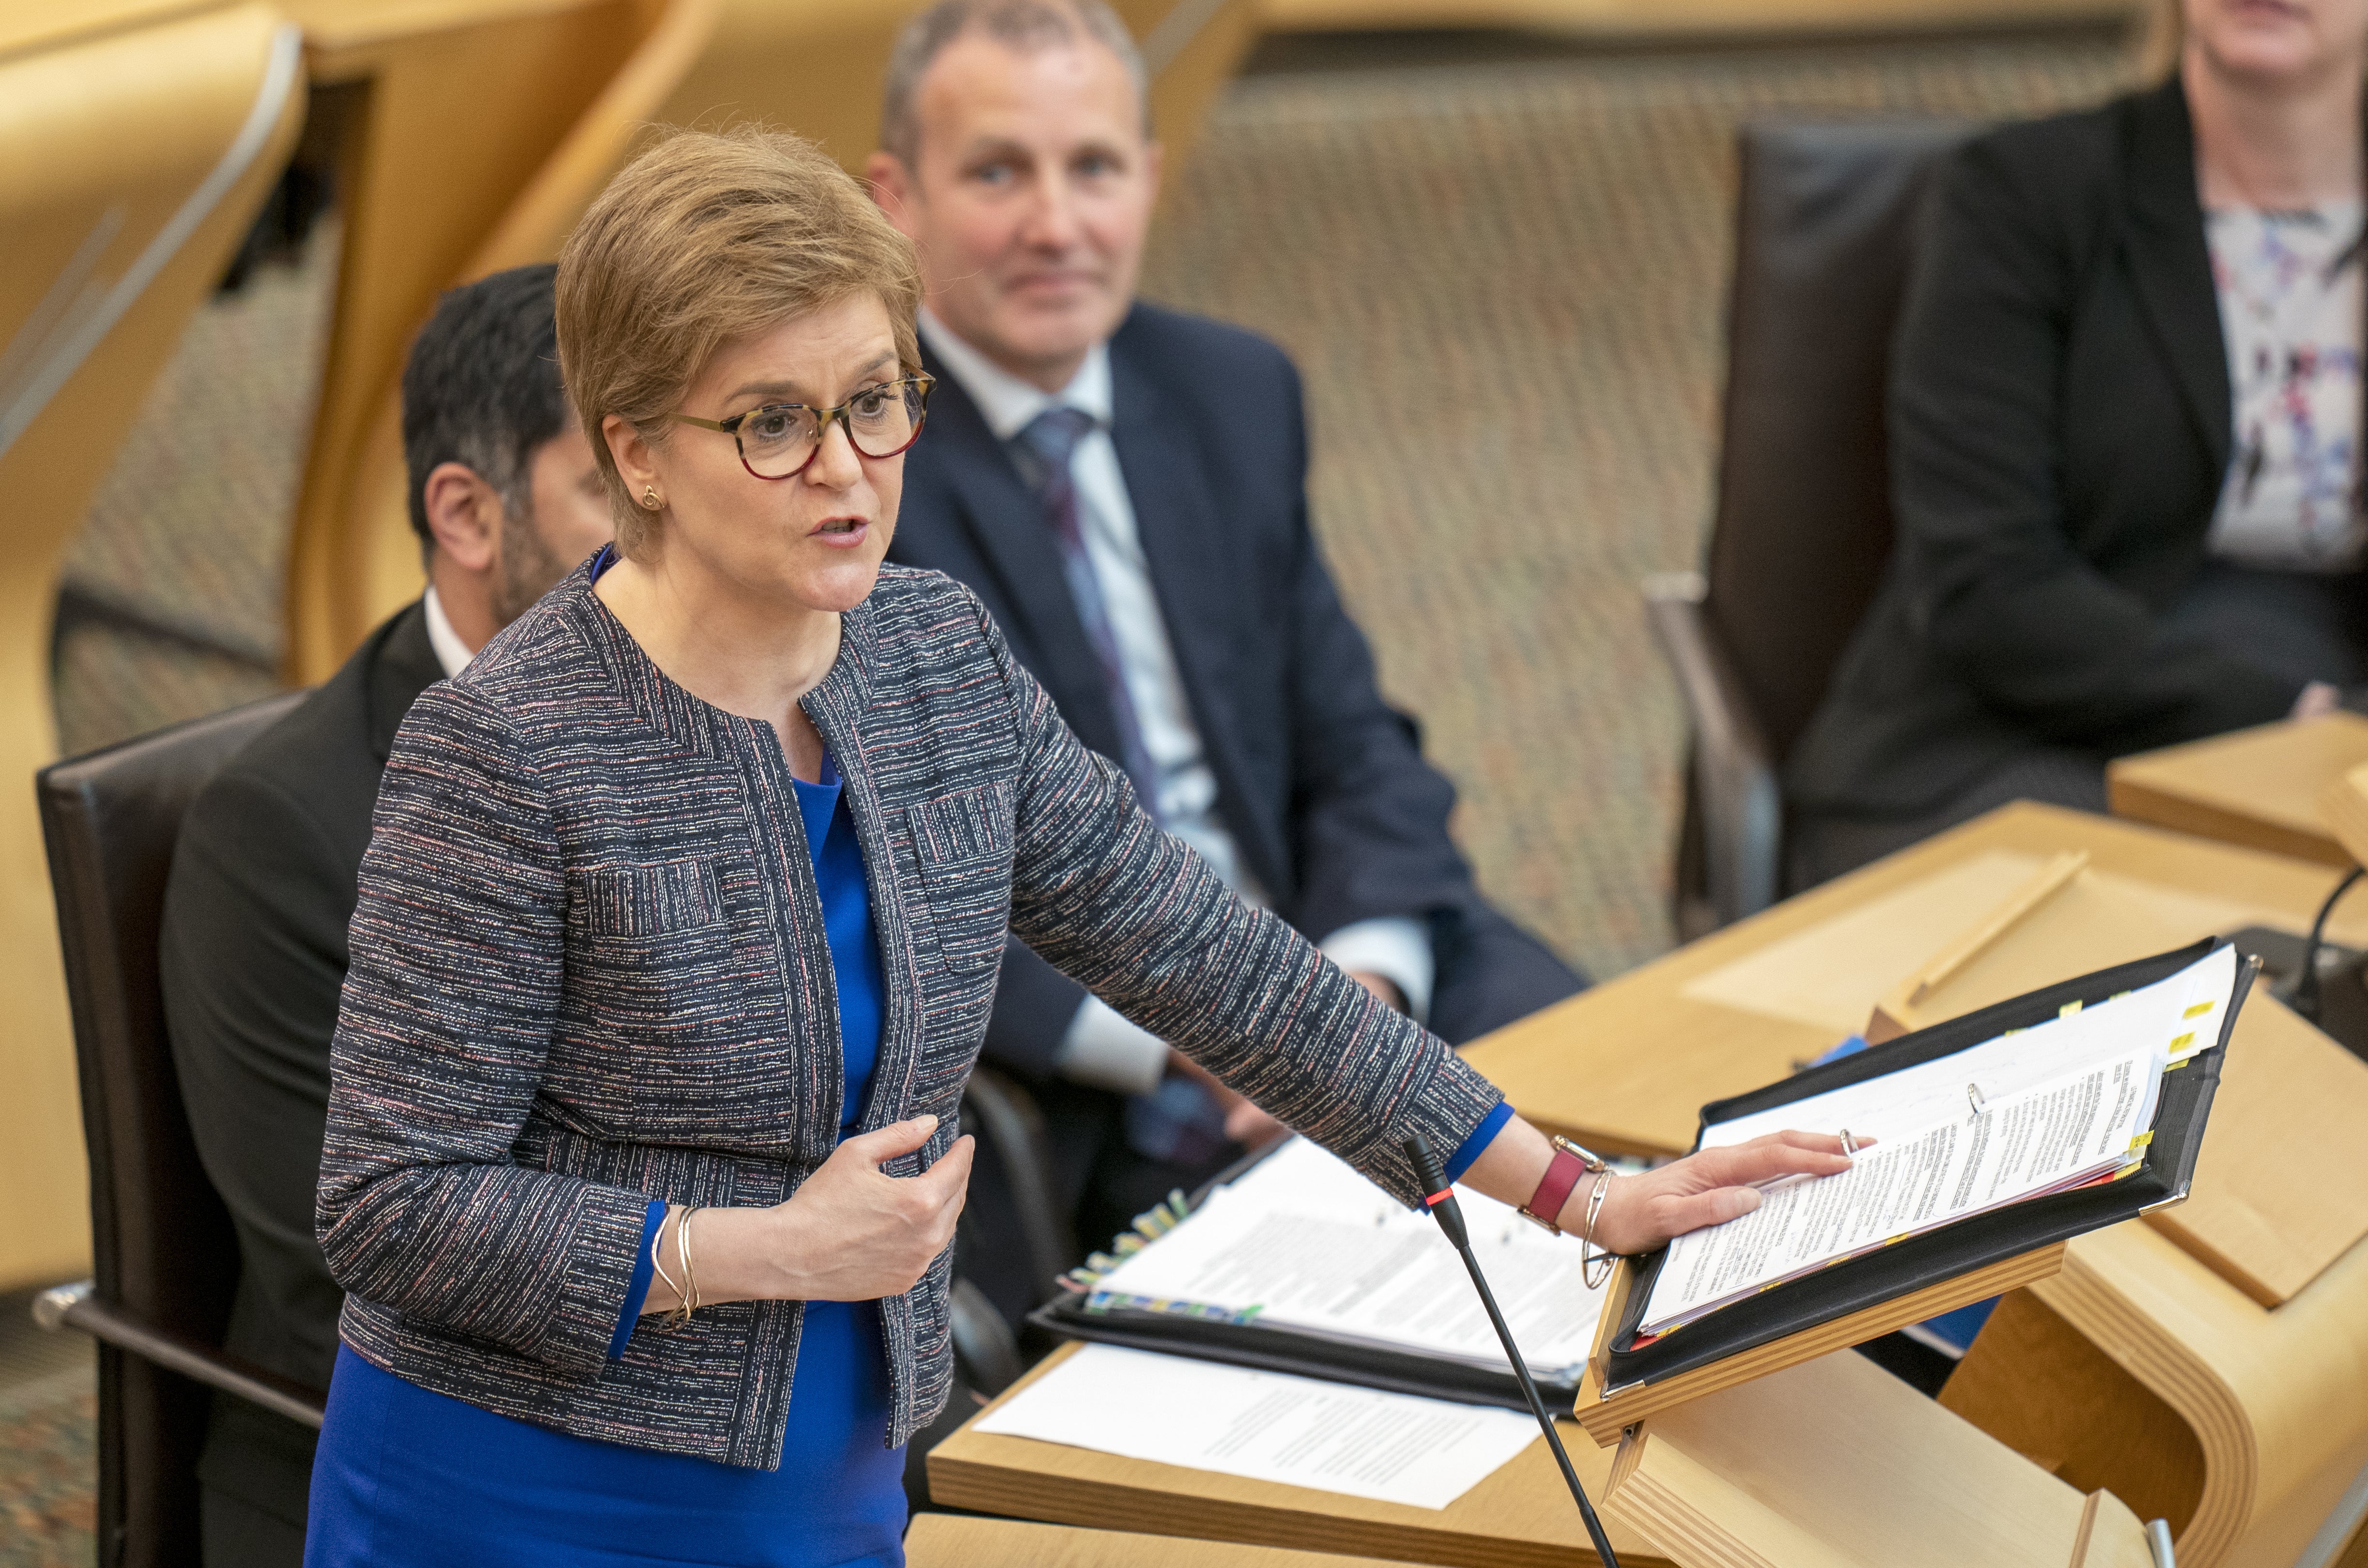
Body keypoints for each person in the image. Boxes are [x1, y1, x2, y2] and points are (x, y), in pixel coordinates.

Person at [300, 124, 1850, 1567]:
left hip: (830, 1448)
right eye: (769, 424)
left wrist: (1576, 1195)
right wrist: (753, 1247)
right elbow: (391, 1199)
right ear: (636, 452)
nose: (847, 469)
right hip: (526, 1483)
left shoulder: (929, 661)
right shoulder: (502, 749)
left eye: (874, 399)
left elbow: (1219, 964)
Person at [865, 0, 1585, 1317]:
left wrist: (1353, 985)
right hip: (1095, 1071)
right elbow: (899, 879)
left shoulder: (1229, 388)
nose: (1054, 223)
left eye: (1091, 167)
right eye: (995, 172)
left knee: (1651, 1148)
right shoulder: (855, 473)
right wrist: (1211, 1038)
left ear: (1147, 174)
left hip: (1335, 955)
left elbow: (1354, 740)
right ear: (894, 198)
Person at [158, 262, 613, 1566]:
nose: (682, 527)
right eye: (613, 483)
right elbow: (357, 1294)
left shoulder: (747, 721)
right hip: (435, 1484)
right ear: (467, 516)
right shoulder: (287, 834)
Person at [1784, 0, 2368, 887]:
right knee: (2139, 983)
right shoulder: (2022, 193)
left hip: (2331, 718)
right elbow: (1984, 583)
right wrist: (2289, 718)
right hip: (2022, 723)